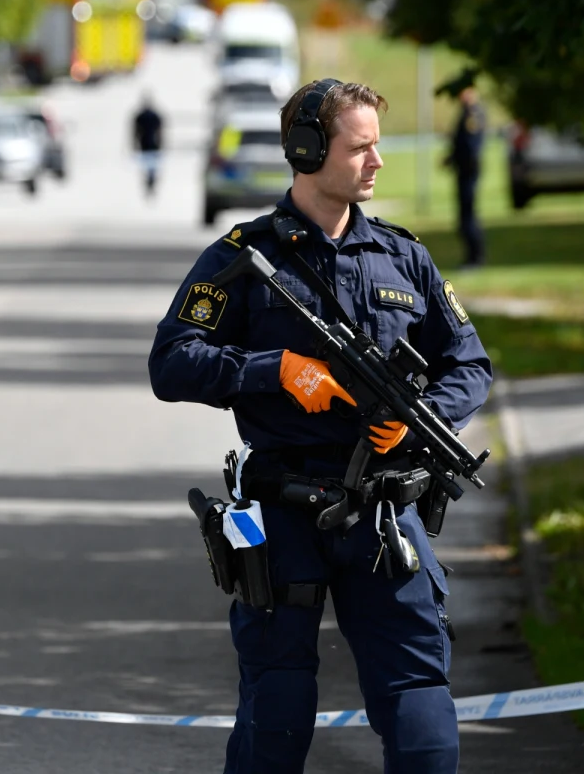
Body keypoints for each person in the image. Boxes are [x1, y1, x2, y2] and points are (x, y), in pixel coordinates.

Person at [148, 79, 492, 773]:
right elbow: (172, 361)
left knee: (424, 720)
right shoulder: (245, 258)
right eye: (360, 147)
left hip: (386, 518)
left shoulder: (404, 258)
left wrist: (414, 424)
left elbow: (471, 366)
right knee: (274, 715)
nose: (377, 161)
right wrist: (274, 369)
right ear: (307, 151)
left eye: (376, 145)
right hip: (282, 511)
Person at [438, 68, 487, 268]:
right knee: (464, 215)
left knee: (468, 216)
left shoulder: (473, 113)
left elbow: (470, 146)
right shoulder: (467, 112)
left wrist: (456, 157)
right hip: (464, 170)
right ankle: (471, 257)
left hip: (468, 171)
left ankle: (475, 258)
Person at [133, 93, 164, 197]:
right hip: (149, 144)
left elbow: (136, 132)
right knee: (149, 167)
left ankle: (150, 182)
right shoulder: (150, 116)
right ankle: (150, 182)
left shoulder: (142, 116)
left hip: (147, 144)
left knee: (149, 167)